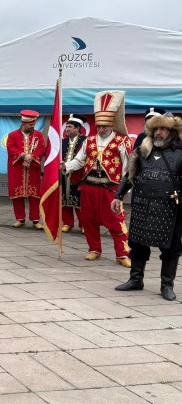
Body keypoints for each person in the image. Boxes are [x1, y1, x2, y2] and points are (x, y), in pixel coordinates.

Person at [113, 113, 182, 300]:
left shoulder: (180, 153)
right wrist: (118, 196)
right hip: (142, 206)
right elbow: (130, 175)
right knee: (137, 244)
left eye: (164, 129)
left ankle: (166, 285)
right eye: (156, 129)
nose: (159, 132)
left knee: (171, 248)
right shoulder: (142, 151)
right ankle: (136, 279)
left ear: (172, 132)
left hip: (170, 209)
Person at [63, 90, 132, 267]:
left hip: (110, 189)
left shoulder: (122, 141)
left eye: (105, 126)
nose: (101, 129)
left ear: (112, 124)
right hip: (88, 187)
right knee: (88, 221)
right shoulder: (89, 140)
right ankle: (94, 249)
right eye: (99, 126)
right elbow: (79, 161)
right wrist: (67, 166)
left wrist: (125, 189)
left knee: (116, 222)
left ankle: (122, 254)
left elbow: (128, 168)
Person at [7, 110, 46, 229]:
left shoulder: (38, 135)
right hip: (17, 168)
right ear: (24, 123)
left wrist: (30, 158)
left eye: (34, 124)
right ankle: (20, 219)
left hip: (33, 167)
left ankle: (35, 220)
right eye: (30, 125)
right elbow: (11, 148)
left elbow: (41, 148)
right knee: (17, 195)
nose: (33, 127)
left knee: (34, 195)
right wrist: (23, 156)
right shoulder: (13, 135)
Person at [61, 114, 88, 232]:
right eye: (66, 127)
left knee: (80, 201)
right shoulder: (62, 142)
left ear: (78, 128)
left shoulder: (86, 141)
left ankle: (84, 225)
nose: (67, 129)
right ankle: (67, 223)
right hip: (63, 175)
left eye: (70, 127)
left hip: (79, 175)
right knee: (64, 199)